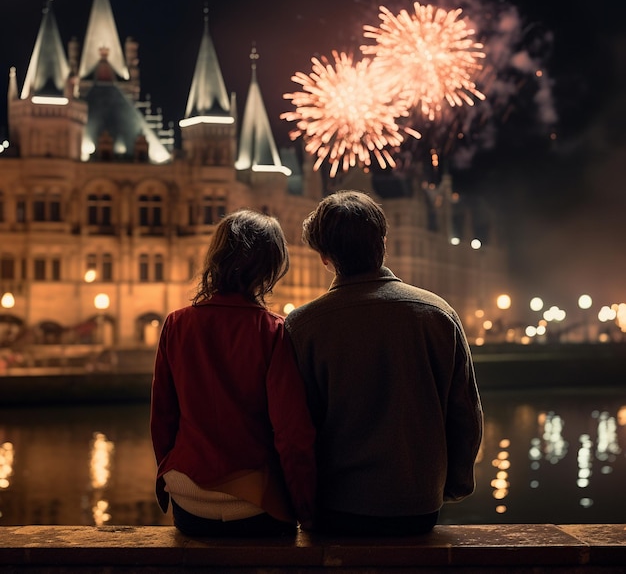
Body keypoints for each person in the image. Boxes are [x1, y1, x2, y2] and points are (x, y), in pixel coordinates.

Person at [285, 190, 483, 536]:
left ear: (325, 257)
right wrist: (450, 486)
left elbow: (297, 430)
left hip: (338, 507)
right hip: (419, 505)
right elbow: (465, 413)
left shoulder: (303, 326)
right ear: (383, 242)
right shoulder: (437, 314)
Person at [150, 209, 316, 537]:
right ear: (269, 268)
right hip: (254, 502)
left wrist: (167, 476)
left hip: (187, 495)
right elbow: (292, 433)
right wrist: (307, 510)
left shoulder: (176, 323)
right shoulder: (273, 332)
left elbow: (162, 418)